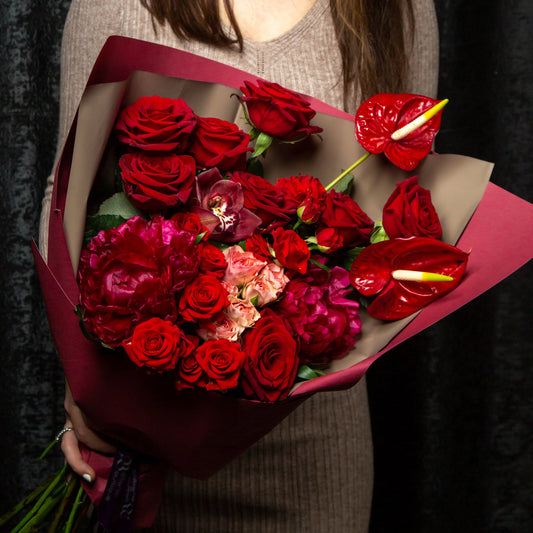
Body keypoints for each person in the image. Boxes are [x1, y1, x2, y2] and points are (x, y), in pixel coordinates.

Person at [39, 0, 438, 530]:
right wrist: (92, 392)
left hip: (313, 449)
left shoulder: (394, 10)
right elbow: (68, 188)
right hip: (134, 432)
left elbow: (405, 207)